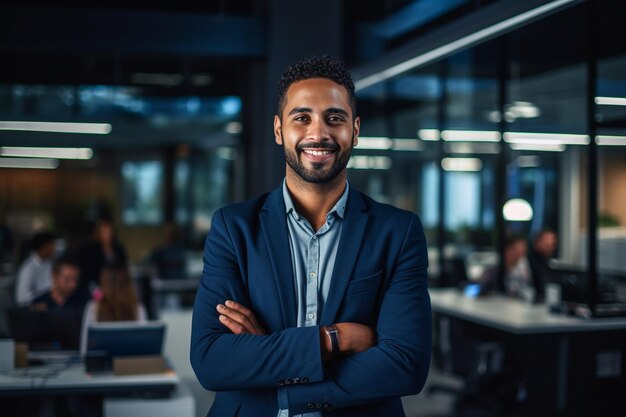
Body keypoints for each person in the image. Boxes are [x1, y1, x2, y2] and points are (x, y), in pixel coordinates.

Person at [190, 56, 431, 417]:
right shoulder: (233, 228)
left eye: (334, 118)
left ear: (356, 129)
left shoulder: (397, 232)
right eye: (301, 118)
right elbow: (212, 359)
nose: (318, 133)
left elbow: (405, 365)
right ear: (278, 130)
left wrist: (271, 360)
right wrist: (335, 338)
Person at [79, 263, 147, 355]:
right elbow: (145, 348)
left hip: (100, 366)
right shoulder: (138, 308)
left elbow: (84, 350)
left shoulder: (93, 308)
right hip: (131, 364)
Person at [77, 219, 127, 295]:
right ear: (98, 233)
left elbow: (123, 268)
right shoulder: (90, 250)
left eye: (109, 231)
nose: (107, 234)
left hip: (117, 286)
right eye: (104, 231)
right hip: (97, 287)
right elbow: (88, 274)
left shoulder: (118, 249)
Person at [14, 231, 56, 306]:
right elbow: (21, 297)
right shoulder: (28, 268)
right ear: (45, 246)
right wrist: (42, 295)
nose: (54, 248)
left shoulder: (50, 263)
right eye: (52, 245)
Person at [527, 229, 557, 300]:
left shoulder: (546, 260)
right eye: (547, 245)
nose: (551, 248)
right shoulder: (528, 260)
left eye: (552, 245)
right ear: (538, 242)